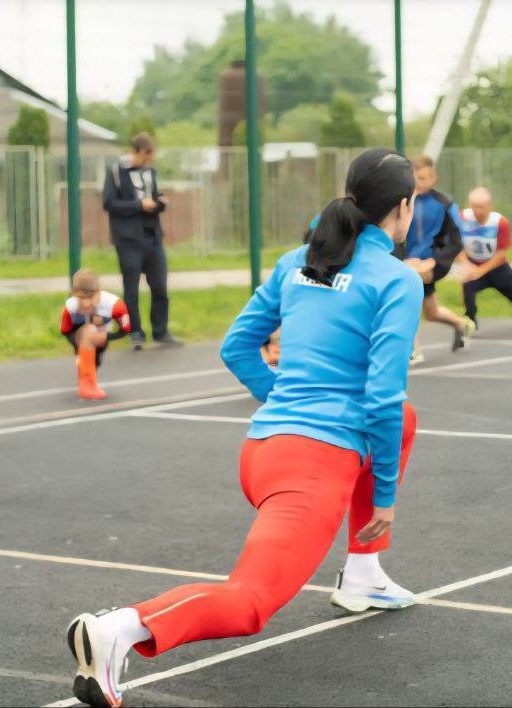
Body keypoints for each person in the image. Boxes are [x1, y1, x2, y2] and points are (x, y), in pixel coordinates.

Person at [65, 149, 424, 708]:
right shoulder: (397, 281)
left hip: (263, 450)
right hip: (311, 468)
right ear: (404, 207)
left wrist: (282, 397)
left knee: (403, 422)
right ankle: (121, 629)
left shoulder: (295, 261)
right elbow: (379, 396)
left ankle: (364, 574)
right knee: (250, 603)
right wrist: (383, 502)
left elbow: (237, 346)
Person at [102, 132, 180, 350]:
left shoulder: (150, 172)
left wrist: (160, 202)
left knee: (160, 287)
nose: (149, 160)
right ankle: (135, 332)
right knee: (132, 289)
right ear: (137, 152)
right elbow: (109, 203)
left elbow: (153, 197)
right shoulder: (117, 171)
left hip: (152, 237)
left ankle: (161, 331)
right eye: (146, 155)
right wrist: (138, 205)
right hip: (128, 239)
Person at [403, 155, 474, 363]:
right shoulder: (403, 202)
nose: (419, 182)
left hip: (434, 263)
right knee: (432, 313)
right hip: (407, 263)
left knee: (408, 299)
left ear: (433, 178)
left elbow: (456, 240)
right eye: (415, 178)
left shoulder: (444, 203)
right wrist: (405, 260)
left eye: (423, 178)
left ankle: (413, 350)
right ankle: (461, 325)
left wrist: (433, 261)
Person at [457, 186, 512, 327]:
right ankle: (471, 320)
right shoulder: (462, 218)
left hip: (498, 269)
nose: (478, 211)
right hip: (473, 265)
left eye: (481, 207)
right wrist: (466, 264)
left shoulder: (500, 222)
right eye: (475, 207)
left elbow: (501, 253)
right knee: (468, 287)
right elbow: (456, 245)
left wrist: (481, 271)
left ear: (489, 206)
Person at [59, 268, 131, 401]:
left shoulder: (115, 305)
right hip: (81, 333)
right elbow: (65, 331)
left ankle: (88, 374)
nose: (86, 303)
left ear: (98, 292)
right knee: (89, 331)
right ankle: (86, 387)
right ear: (74, 294)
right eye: (81, 298)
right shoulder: (70, 308)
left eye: (90, 297)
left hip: (103, 336)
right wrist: (78, 351)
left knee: (95, 361)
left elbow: (125, 331)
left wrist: (105, 337)